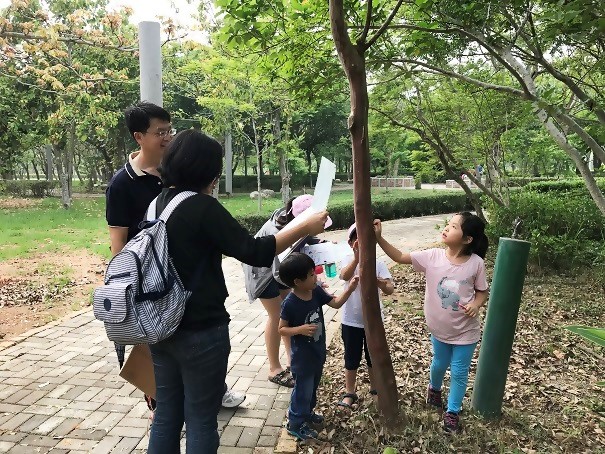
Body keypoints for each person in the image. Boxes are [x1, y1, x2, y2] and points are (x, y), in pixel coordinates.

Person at [146, 130, 329, 453]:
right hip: (201, 330)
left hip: (160, 328)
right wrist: (302, 226)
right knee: (202, 418)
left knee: (166, 416)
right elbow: (255, 251)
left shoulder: (155, 205)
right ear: (209, 172)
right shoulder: (201, 206)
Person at [105, 102, 245, 413]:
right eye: (160, 132)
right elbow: (120, 247)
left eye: (170, 130)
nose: (168, 137)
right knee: (164, 389)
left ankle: (207, 395)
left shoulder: (176, 174)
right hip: (154, 290)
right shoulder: (123, 184)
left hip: (189, 291)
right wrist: (133, 298)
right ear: (139, 136)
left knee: (189, 370)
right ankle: (162, 411)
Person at [373, 212, 489, 434]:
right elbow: (399, 257)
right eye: (449, 224)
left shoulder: (476, 264)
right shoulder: (432, 256)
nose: (446, 228)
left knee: (459, 371)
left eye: (454, 226)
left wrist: (476, 305)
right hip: (439, 331)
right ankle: (434, 389)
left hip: (466, 332)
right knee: (438, 364)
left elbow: (482, 292)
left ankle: (452, 411)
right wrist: (379, 238)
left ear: (467, 239)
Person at [243, 194, 332, 388]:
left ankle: (292, 360)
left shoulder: (293, 224)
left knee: (286, 315)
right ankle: (274, 369)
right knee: (277, 317)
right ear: (301, 219)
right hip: (263, 274)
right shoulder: (279, 231)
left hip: (282, 272)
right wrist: (305, 285)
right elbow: (279, 270)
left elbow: (302, 244)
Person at [278, 252, 359, 441]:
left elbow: (336, 303)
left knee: (312, 388)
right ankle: (295, 423)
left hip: (317, 353)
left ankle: (306, 414)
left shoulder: (315, 291)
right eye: (311, 274)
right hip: (302, 359)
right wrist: (300, 329)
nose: (316, 276)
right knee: (302, 391)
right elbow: (281, 329)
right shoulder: (290, 303)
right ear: (298, 281)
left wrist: (350, 289)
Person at [337, 224, 394, 409]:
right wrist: (356, 259)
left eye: (367, 240)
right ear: (350, 243)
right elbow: (343, 276)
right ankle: (350, 391)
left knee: (373, 356)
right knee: (351, 356)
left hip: (373, 321)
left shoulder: (378, 263)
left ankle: (375, 387)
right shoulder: (347, 259)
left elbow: (390, 289)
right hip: (351, 320)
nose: (361, 245)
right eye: (357, 241)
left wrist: (377, 280)